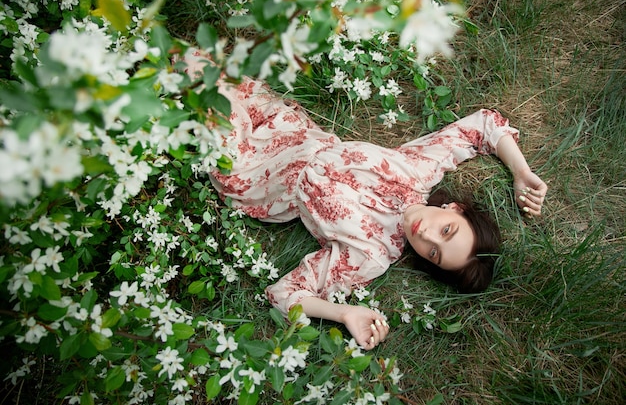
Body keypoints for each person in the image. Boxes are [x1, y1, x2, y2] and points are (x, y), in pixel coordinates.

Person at [180, 49, 548, 350]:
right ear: (453, 208)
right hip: (287, 127)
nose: (428, 236)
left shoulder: (370, 256)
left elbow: (284, 294)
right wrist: (521, 172)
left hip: (255, 173)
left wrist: (343, 314)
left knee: (190, 86)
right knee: (195, 60)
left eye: (434, 252)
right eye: (447, 230)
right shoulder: (418, 169)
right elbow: (485, 125)